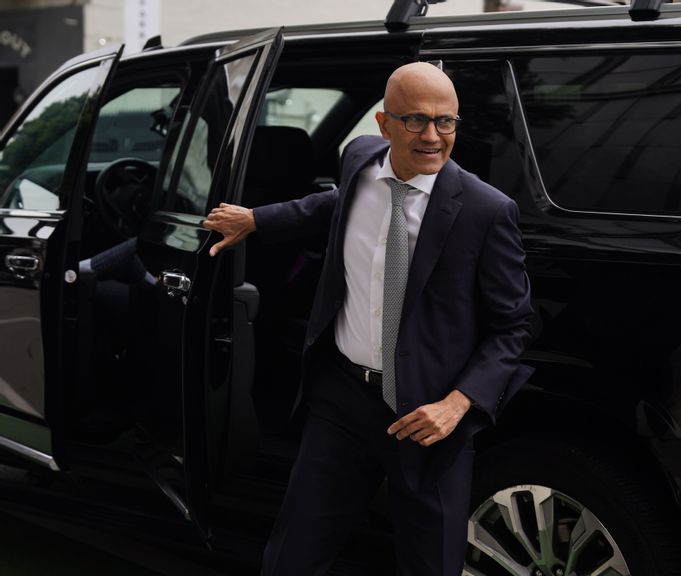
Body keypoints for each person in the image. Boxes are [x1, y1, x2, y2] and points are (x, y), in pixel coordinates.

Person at [202, 62, 533, 576]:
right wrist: (256, 219)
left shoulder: (486, 212)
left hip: (428, 418)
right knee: (290, 558)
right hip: (342, 399)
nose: (432, 136)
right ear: (383, 125)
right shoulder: (359, 159)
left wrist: (456, 404)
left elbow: (514, 326)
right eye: (415, 120)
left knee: (430, 566)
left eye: (445, 121)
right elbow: (334, 203)